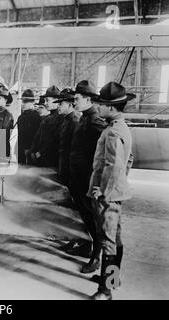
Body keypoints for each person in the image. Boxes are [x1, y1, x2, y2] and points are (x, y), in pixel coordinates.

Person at [87, 82, 134, 300]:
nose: (99, 107)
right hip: (117, 192)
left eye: (102, 104)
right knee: (115, 236)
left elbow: (113, 165)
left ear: (112, 109)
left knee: (107, 240)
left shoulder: (114, 131)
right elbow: (128, 161)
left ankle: (106, 290)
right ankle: (113, 278)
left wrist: (103, 192)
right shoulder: (120, 126)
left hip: (109, 194)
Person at [65, 80, 107, 274]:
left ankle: (97, 256)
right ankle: (88, 245)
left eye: (77, 98)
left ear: (89, 99)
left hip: (87, 178)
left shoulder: (95, 120)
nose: (74, 101)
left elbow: (105, 152)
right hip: (78, 177)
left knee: (94, 218)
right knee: (84, 216)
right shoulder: (83, 117)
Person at [30, 85, 63, 167]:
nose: (45, 103)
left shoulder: (60, 119)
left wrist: (40, 153)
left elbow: (53, 141)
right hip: (42, 159)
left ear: (57, 100)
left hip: (51, 161)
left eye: (47, 100)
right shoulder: (48, 119)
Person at [54, 88, 81, 186]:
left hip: (69, 166)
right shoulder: (66, 120)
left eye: (61, 104)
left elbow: (75, 148)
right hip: (63, 163)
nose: (58, 106)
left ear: (70, 105)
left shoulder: (75, 121)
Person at [16, 89, 42, 165]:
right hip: (21, 152)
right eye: (23, 101)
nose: (23, 104)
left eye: (26, 102)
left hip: (31, 152)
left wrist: (32, 151)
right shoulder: (21, 117)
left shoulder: (37, 117)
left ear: (33, 102)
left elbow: (38, 137)